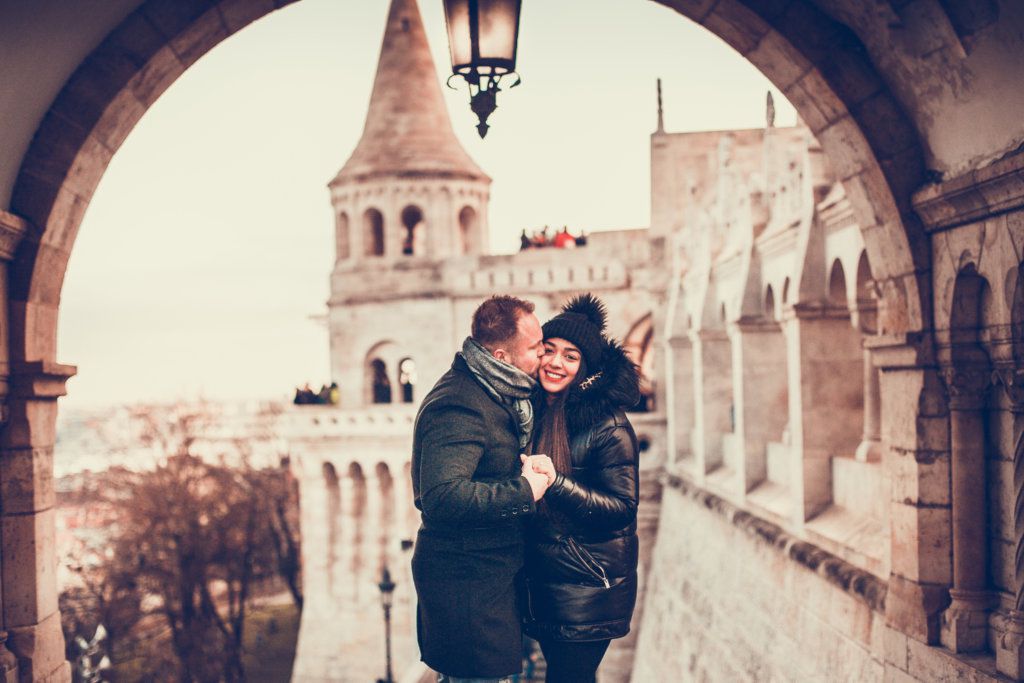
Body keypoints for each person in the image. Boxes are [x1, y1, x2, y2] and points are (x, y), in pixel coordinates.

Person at [411, 295, 551, 682]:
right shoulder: (460, 403)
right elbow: (442, 496)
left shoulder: (495, 390)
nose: (543, 355)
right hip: (468, 588)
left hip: (488, 580)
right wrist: (526, 490)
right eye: (536, 347)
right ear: (502, 356)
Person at [521, 294, 641, 683]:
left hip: (588, 585)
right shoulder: (531, 410)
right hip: (546, 581)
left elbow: (622, 507)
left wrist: (555, 484)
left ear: (586, 369)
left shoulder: (609, 426)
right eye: (549, 350)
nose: (555, 362)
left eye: (570, 356)